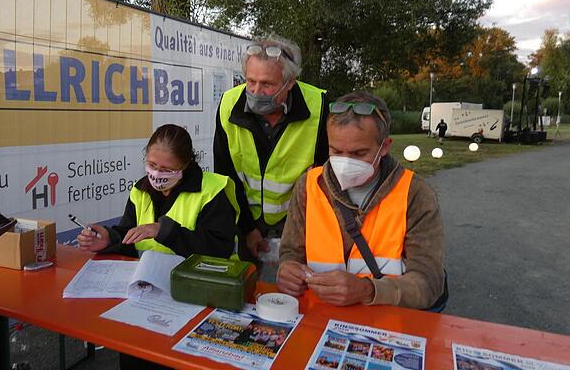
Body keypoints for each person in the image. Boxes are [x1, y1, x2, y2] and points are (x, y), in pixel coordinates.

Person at [276, 91, 446, 310]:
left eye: (359, 153)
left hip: (388, 323)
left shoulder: (416, 193)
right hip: (318, 316)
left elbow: (429, 283)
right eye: (336, 151)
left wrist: (369, 290)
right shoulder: (309, 185)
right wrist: (287, 269)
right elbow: (291, 252)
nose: (345, 163)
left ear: (384, 147)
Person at [214, 35, 329, 274]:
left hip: (301, 224)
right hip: (249, 223)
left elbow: (325, 177)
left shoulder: (319, 105)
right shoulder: (228, 104)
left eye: (267, 84)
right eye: (250, 81)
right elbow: (225, 175)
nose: (256, 91)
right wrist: (247, 228)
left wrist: (298, 233)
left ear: (290, 83)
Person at [78, 124, 239, 259]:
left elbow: (219, 249)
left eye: (166, 169)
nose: (156, 174)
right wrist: (109, 239)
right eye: (152, 165)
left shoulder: (212, 191)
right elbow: (130, 235)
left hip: (199, 284)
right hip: (148, 282)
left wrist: (164, 231)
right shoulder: (140, 189)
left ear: (185, 164)